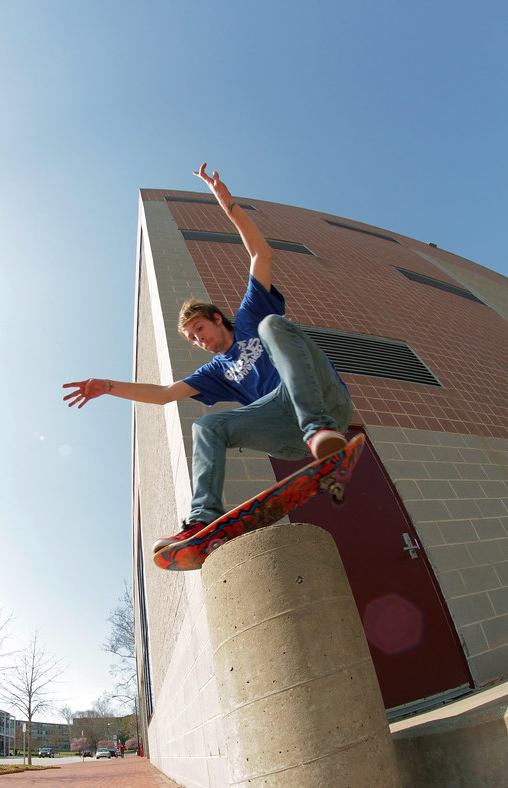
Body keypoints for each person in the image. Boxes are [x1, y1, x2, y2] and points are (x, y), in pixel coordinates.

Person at [63, 164, 352, 554]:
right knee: (207, 427)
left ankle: (318, 428)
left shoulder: (250, 315)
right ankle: (201, 521)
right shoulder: (217, 370)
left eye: (199, 330)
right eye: (191, 339)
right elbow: (165, 393)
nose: (198, 341)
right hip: (284, 432)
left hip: (324, 401)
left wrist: (227, 203)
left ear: (217, 318)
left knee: (271, 325)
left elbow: (259, 252)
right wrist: (109, 387)